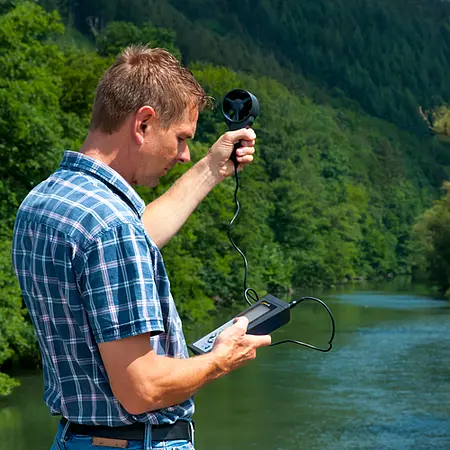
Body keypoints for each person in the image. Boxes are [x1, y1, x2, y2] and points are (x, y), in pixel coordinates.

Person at [12, 45, 271, 450]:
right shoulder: (111, 227)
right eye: (181, 138)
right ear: (144, 123)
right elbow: (142, 390)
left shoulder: (45, 202)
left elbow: (135, 234)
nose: (184, 155)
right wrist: (222, 359)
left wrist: (212, 168)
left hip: (76, 439)